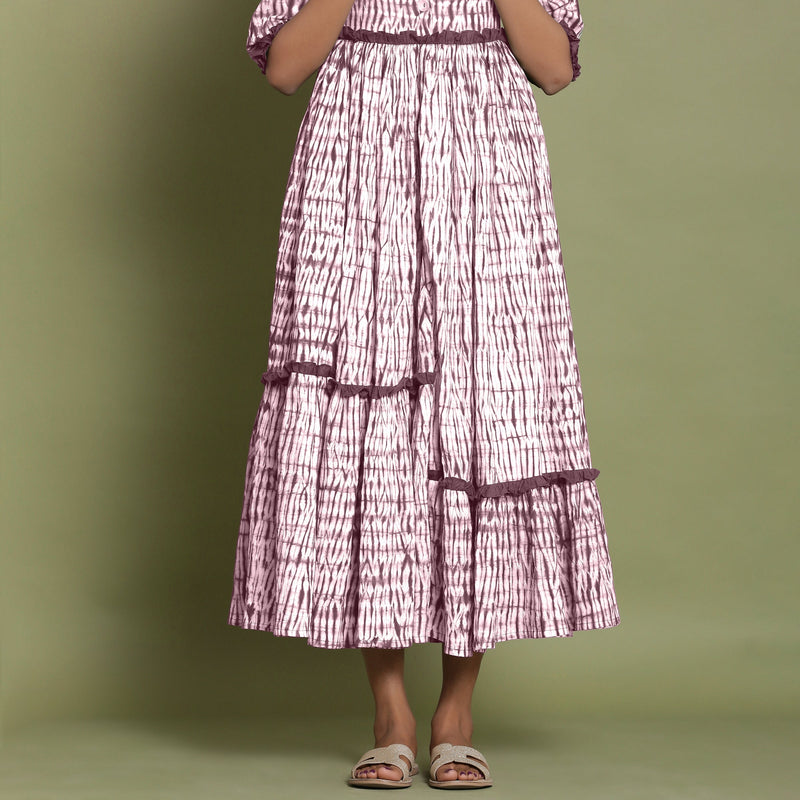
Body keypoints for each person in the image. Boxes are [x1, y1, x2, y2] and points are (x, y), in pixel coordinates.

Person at [228, 0, 621, 789]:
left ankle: (456, 713)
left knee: (482, 417)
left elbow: (552, 66)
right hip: (355, 173)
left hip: (485, 177)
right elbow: (283, 65)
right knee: (371, 420)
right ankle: (390, 714)